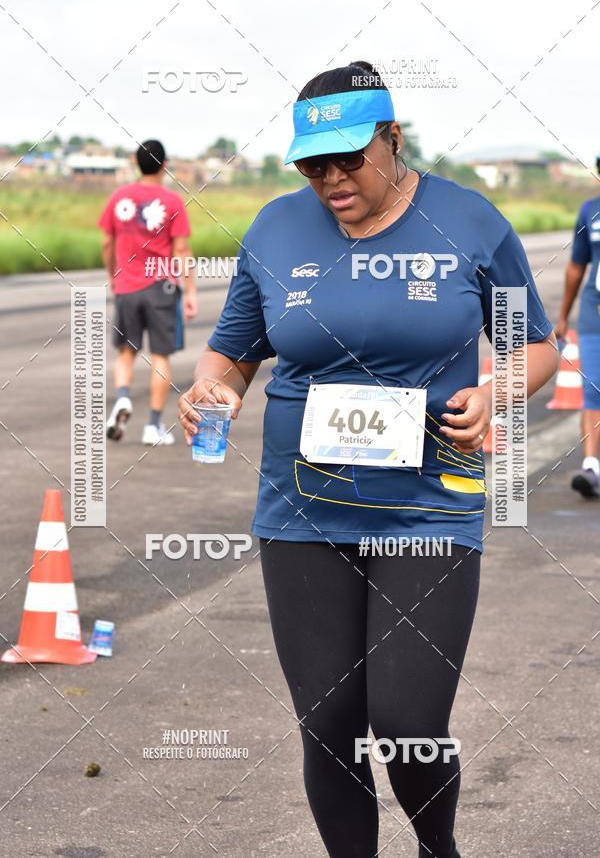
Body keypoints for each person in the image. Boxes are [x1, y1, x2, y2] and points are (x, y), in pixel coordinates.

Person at [178, 62, 558, 858]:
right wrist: (213, 390)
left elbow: (533, 347)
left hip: (428, 507)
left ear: (393, 138)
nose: (331, 180)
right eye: (313, 165)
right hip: (303, 511)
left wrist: (495, 392)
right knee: (328, 722)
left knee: (407, 720)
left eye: (349, 159)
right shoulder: (276, 229)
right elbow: (232, 356)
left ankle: (438, 848)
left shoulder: (471, 221)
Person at [100, 138, 197, 445]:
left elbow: (106, 242)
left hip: (127, 287)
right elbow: (182, 250)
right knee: (160, 357)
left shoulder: (119, 197)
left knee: (125, 352)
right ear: (164, 166)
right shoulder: (172, 202)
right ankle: (152, 426)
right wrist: (190, 292)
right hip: (161, 287)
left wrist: (113, 275)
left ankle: (123, 398)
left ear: (136, 163)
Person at [556, 155, 600, 498]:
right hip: (593, 311)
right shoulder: (590, 211)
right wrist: (563, 315)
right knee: (593, 388)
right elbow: (576, 266)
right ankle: (591, 467)